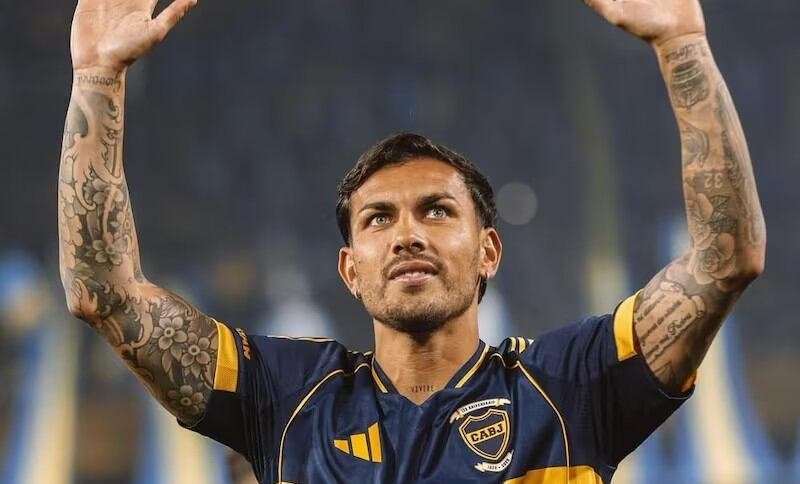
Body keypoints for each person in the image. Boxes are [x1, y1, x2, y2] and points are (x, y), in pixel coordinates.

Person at [57, 0, 766, 482]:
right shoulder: (284, 398)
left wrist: (683, 47)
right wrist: (98, 78)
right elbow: (104, 294)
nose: (406, 235)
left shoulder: (571, 384)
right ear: (349, 270)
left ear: (488, 251)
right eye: (378, 219)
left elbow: (724, 261)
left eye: (436, 211)